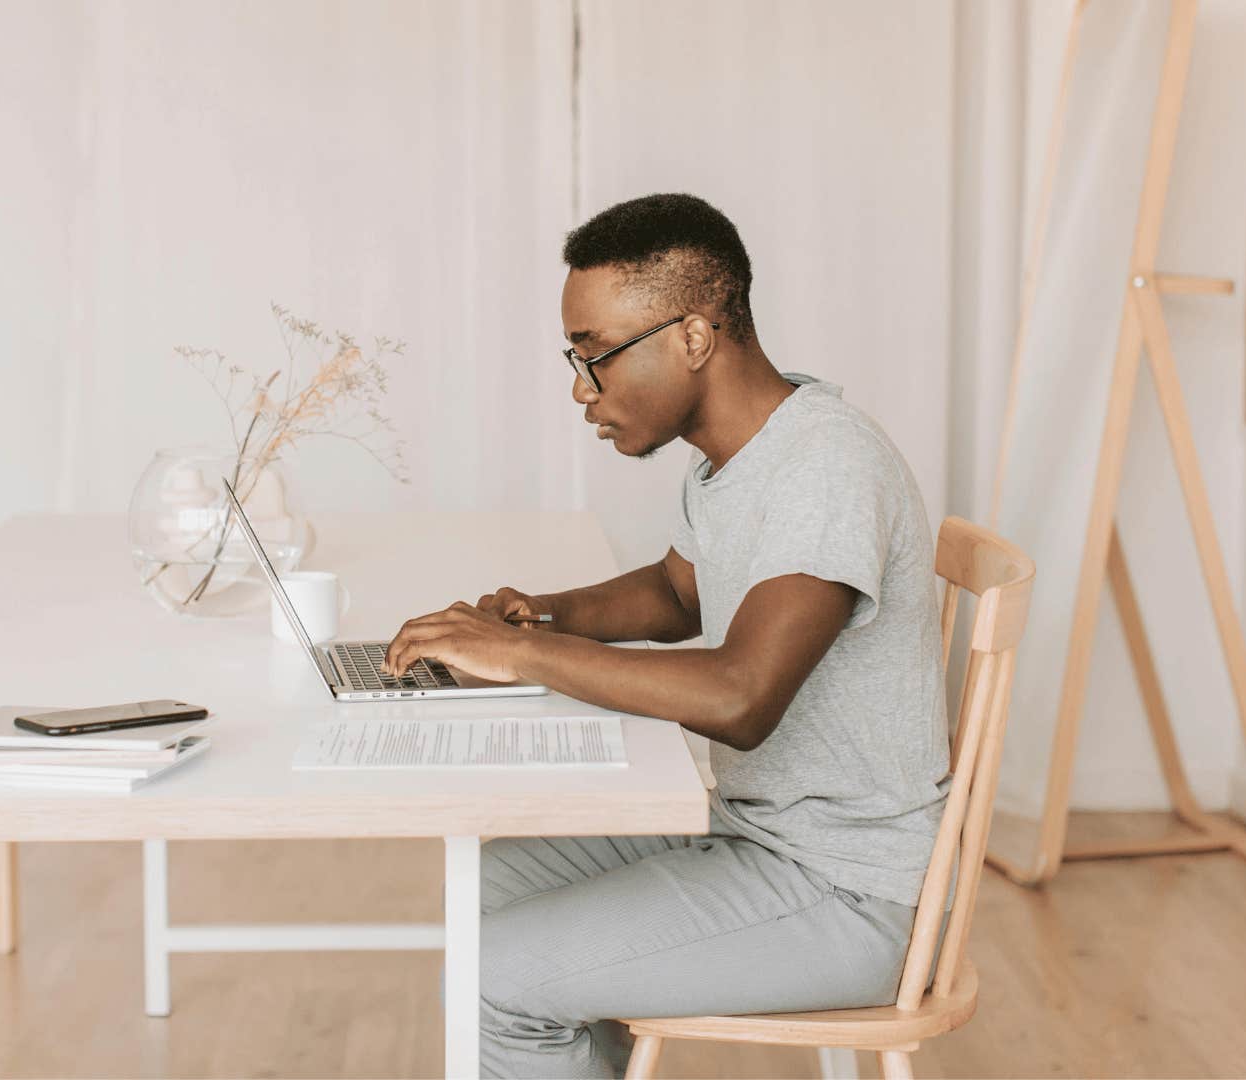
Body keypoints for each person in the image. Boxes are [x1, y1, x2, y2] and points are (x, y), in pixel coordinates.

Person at [382, 192, 949, 1079]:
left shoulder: (828, 468)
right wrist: (538, 614)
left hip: (848, 886)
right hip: (756, 834)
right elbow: (676, 593)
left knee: (495, 973)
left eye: (595, 356)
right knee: (479, 892)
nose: (581, 390)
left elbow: (740, 696)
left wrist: (525, 657)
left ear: (692, 337)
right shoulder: (742, 456)